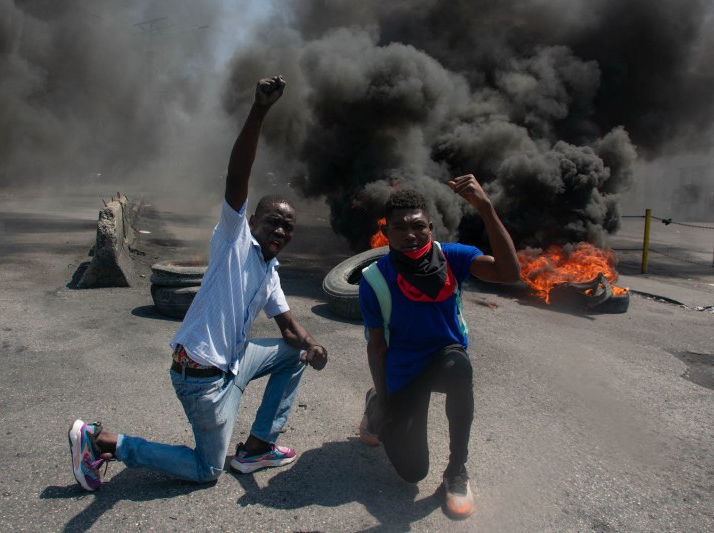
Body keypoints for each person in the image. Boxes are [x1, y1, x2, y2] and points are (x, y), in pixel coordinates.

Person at [68, 76, 328, 491]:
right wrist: (259, 110)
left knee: (291, 354)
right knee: (207, 470)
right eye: (272, 222)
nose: (280, 230)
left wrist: (312, 345)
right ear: (252, 222)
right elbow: (237, 173)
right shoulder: (234, 240)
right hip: (202, 378)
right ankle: (103, 442)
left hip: (232, 364)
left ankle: (258, 447)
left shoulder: (269, 270)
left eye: (287, 227)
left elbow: (288, 328)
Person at [358, 178, 520, 519]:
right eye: (399, 227)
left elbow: (509, 272)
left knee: (459, 367)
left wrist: (486, 208)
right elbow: (377, 348)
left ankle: (456, 471)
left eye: (418, 226)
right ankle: (374, 405)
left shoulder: (453, 257)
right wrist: (386, 402)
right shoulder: (374, 279)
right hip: (403, 372)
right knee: (412, 473)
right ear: (386, 233)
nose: (410, 234)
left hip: (445, 362)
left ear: (431, 227)